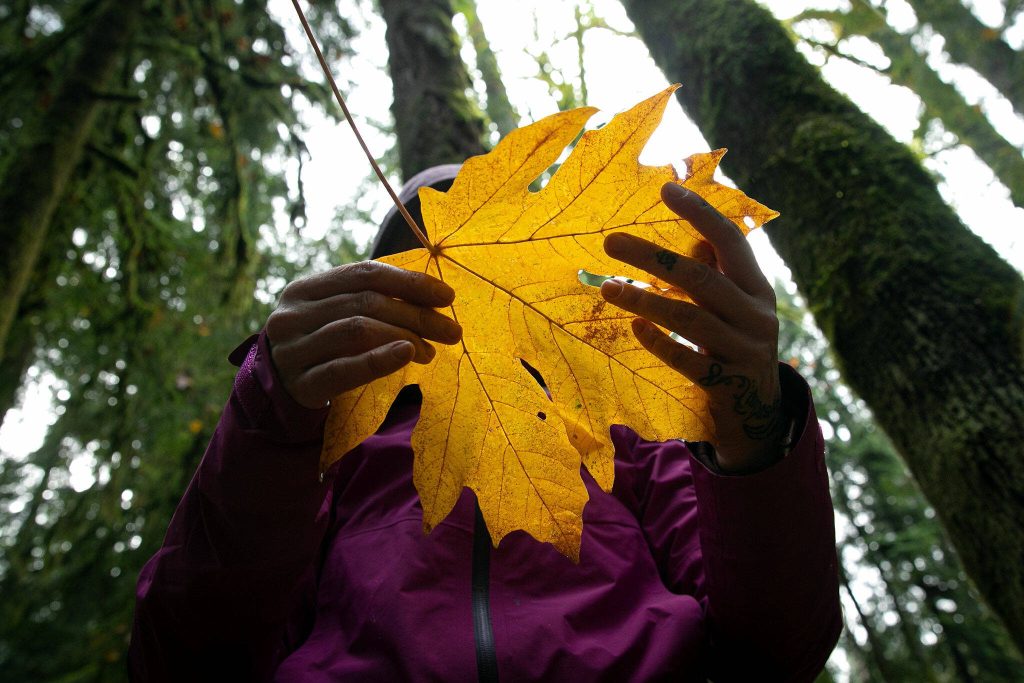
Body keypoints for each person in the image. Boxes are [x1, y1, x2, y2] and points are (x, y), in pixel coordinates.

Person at [129, 165, 842, 682]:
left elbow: (778, 650)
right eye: (413, 242)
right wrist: (269, 413)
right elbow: (188, 659)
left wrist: (753, 431)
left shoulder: (622, 430)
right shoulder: (325, 448)